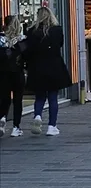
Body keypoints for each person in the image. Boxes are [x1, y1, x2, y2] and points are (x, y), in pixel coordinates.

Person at [24, 7, 72, 136]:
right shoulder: (57, 30)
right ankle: (52, 126)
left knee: (40, 97)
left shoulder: (31, 31)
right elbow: (60, 45)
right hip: (54, 67)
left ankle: (38, 116)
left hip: (37, 68)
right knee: (53, 97)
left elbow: (28, 50)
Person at [0, 15, 26, 138]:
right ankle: (16, 127)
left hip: (3, 73)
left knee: (4, 99)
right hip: (18, 73)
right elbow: (26, 56)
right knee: (17, 100)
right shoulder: (22, 40)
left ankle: (2, 117)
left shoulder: (1, 39)